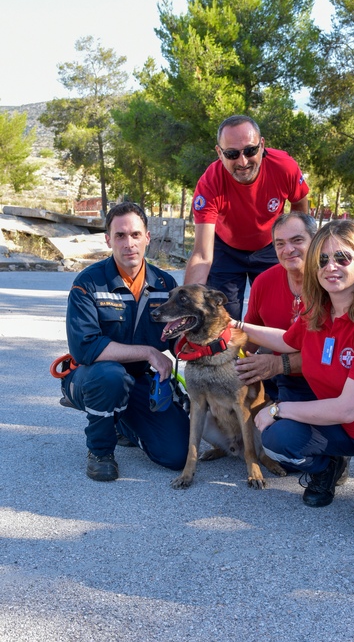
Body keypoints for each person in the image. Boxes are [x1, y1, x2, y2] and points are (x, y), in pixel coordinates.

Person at [235, 220, 354, 551]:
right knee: (279, 436)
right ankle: (330, 464)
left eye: (342, 258)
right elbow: (286, 340)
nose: (331, 267)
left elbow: (347, 407)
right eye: (323, 260)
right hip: (341, 429)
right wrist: (236, 325)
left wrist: (278, 407)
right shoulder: (318, 311)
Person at [60, 202, 190, 482]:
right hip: (91, 375)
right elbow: (86, 348)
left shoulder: (165, 285)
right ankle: (100, 451)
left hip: (140, 382)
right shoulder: (89, 283)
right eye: (120, 236)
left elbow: (180, 339)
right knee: (110, 376)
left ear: (147, 237)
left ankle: (122, 422)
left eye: (135, 235)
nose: (128, 243)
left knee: (177, 454)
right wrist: (149, 352)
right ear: (108, 239)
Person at [235, 211, 351, 484]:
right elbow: (251, 337)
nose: (288, 249)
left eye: (297, 240)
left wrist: (278, 363)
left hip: (329, 383)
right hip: (289, 382)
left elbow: (330, 354)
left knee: (294, 443)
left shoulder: (331, 283)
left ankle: (333, 460)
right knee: (277, 442)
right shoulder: (264, 281)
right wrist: (225, 354)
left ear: (316, 241)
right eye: (279, 243)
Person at [184, 115, 310, 320]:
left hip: (269, 247)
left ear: (262, 145)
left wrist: (296, 246)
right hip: (226, 250)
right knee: (223, 319)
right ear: (219, 153)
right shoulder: (209, 183)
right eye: (232, 154)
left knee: (277, 315)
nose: (242, 162)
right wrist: (187, 307)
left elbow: (300, 204)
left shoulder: (284, 166)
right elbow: (202, 256)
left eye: (250, 151)